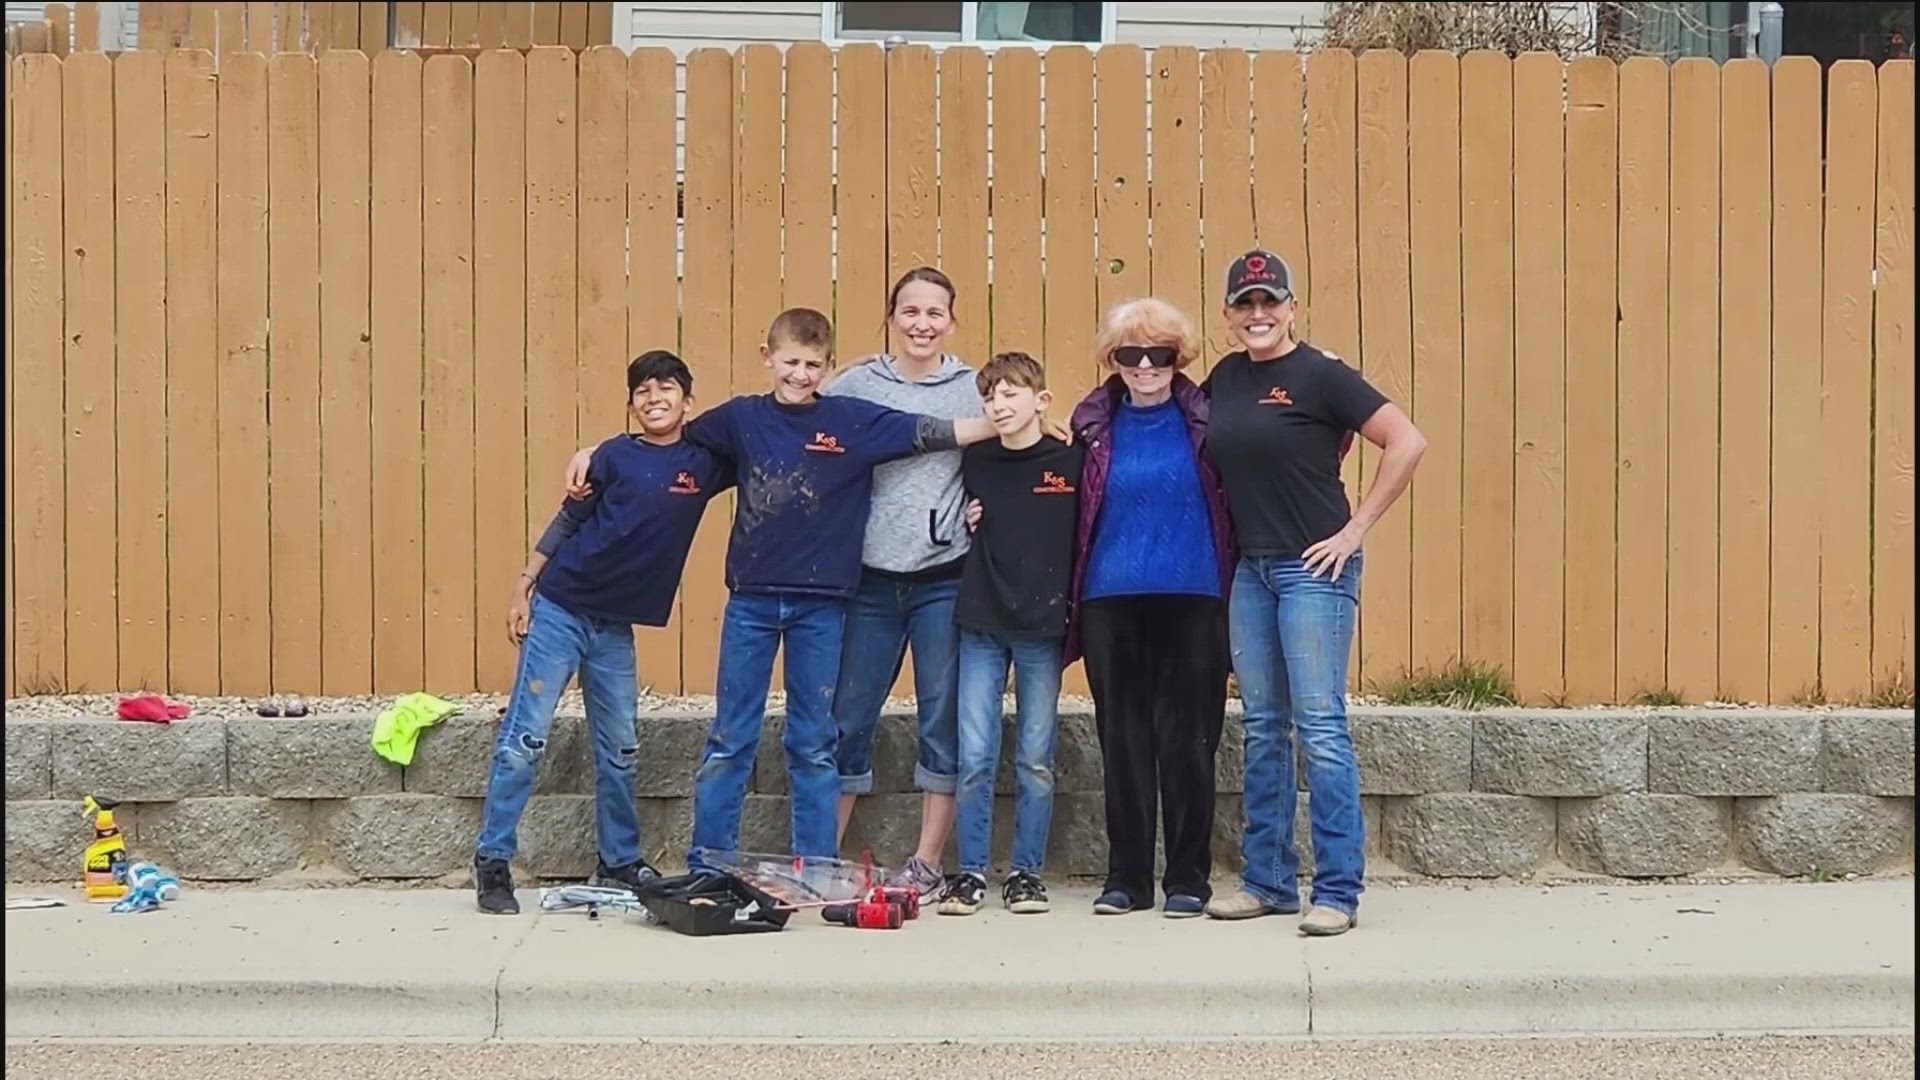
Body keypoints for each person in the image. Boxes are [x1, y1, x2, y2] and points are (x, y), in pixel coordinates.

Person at [560, 309, 1014, 872]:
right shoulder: (739, 419)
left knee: (813, 742)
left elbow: (933, 433)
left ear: (828, 366)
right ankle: (711, 864)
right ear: (767, 357)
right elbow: (665, 439)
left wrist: (1012, 425)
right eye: (790, 362)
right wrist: (596, 453)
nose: (800, 374)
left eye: (812, 365)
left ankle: (815, 868)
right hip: (751, 601)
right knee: (731, 738)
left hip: (822, 606)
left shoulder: (851, 420)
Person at [1200, 249, 1425, 937]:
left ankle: (1337, 891)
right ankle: (1267, 880)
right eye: (1247, 304)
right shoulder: (1225, 377)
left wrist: (1354, 529)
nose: (1259, 314)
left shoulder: (1322, 375)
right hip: (1253, 571)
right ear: (1229, 316)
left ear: (1293, 308)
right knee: (1264, 726)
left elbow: (1406, 442)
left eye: (1271, 302)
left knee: (1321, 729)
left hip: (1314, 572)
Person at [473, 351, 735, 915]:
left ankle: (618, 858)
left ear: (688, 401)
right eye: (642, 390)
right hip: (562, 608)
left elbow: (774, 430)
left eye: (666, 388)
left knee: (619, 749)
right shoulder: (613, 456)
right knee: (526, 740)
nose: (654, 398)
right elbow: (569, 519)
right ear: (632, 402)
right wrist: (524, 586)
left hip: (615, 626)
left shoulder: (705, 462)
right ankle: (493, 861)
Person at [1063, 298, 1238, 919]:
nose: (1145, 366)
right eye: (1130, 354)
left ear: (1178, 358)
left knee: (1189, 742)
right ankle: (1127, 879)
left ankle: (1188, 879)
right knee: (1125, 741)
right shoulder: (1089, 426)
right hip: (1111, 597)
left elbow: (1290, 447)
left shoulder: (1211, 420)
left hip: (1196, 596)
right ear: (1113, 359)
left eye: (1158, 354)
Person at [825, 268, 982, 896]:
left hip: (943, 578)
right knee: (849, 716)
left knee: (941, 717)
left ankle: (926, 861)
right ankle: (819, 857)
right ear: (891, 316)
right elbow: (794, 418)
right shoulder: (856, 385)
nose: (922, 324)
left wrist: (987, 508)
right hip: (868, 581)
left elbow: (1024, 438)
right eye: (909, 311)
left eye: (935, 313)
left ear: (952, 320)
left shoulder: (973, 388)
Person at [936, 352, 1084, 916]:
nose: (999, 405)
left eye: (1012, 394)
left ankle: (1026, 873)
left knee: (1036, 755)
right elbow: (958, 513)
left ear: (1042, 402)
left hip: (1043, 626)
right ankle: (970, 873)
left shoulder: (1071, 460)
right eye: (991, 396)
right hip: (981, 619)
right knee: (975, 753)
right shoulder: (977, 461)